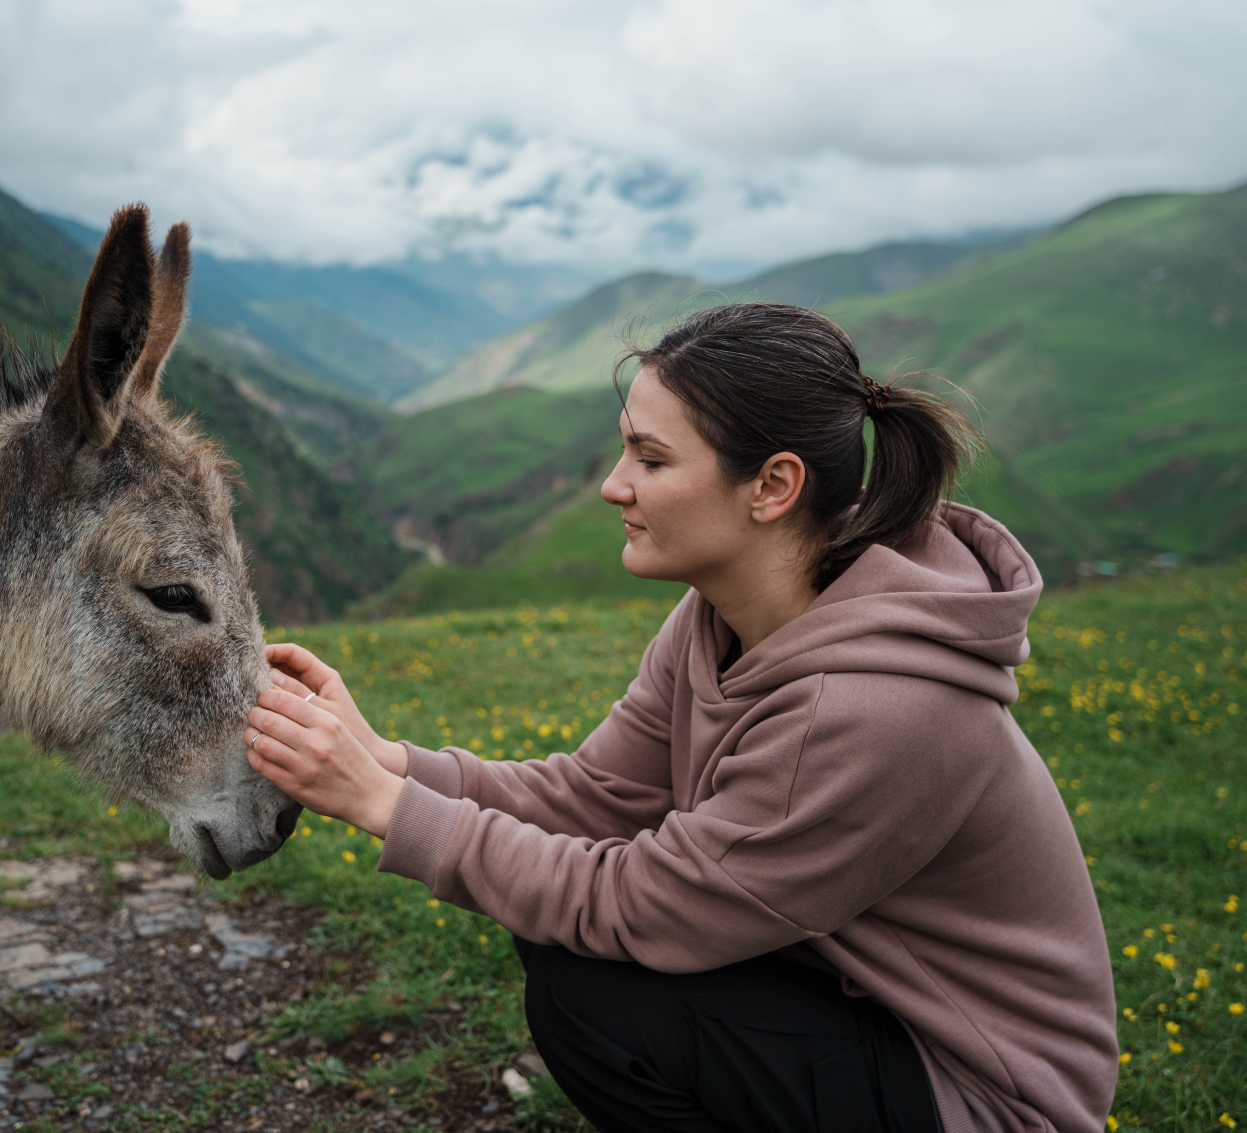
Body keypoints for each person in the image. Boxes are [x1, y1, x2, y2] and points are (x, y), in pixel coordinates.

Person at [242, 302, 1118, 1133]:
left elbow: (641, 907)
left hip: (978, 1089)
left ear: (772, 486)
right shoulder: (721, 616)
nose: (613, 486)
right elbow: (594, 797)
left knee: (597, 993)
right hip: (857, 997)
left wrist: (387, 809)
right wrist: (385, 761)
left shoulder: (868, 711)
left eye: (651, 461)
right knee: (563, 942)